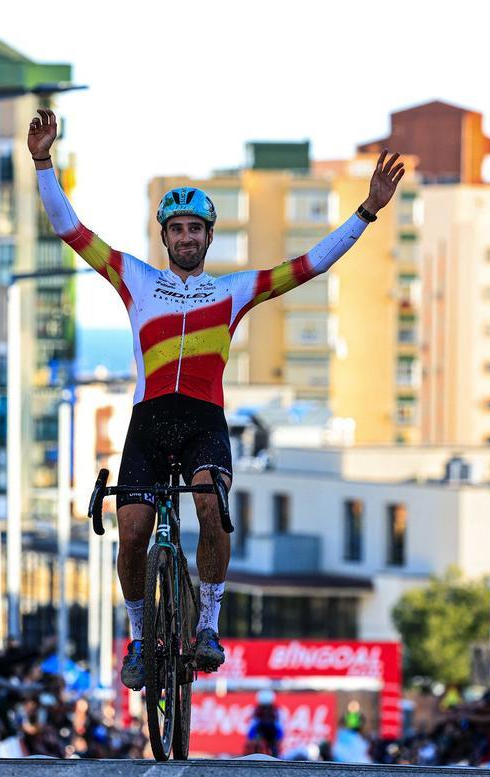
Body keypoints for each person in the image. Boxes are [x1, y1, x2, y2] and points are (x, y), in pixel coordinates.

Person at [28, 109, 406, 690]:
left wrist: (367, 210)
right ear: (165, 237)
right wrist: (42, 161)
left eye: (195, 230)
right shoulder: (135, 279)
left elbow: (309, 266)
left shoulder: (233, 290)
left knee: (210, 509)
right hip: (148, 423)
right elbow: (68, 229)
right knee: (132, 532)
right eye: (177, 229)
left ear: (209, 237)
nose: (186, 237)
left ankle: (207, 625)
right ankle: (138, 639)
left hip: (203, 423)